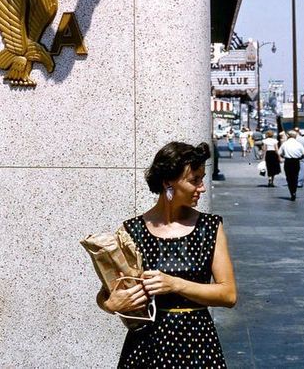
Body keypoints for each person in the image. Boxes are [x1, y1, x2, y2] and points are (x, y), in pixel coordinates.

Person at [100, 141, 237, 368]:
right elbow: (107, 293)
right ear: (167, 183)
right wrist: (110, 304)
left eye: (202, 179)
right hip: (146, 347)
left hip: (198, 344)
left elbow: (229, 294)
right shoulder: (131, 231)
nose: (201, 187)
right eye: (194, 180)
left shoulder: (210, 227)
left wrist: (175, 284)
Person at [279, 130, 304, 201]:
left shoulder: (285, 144)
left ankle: (291, 192)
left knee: (289, 177)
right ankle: (294, 191)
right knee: (295, 177)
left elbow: (279, 152)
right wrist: (300, 158)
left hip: (288, 161)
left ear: (288, 136)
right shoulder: (298, 144)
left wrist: (283, 156)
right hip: (296, 161)